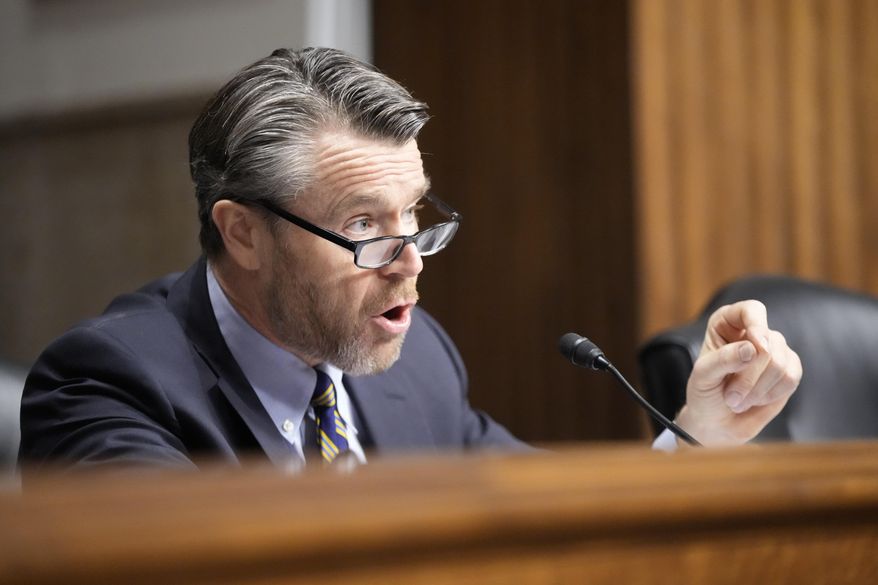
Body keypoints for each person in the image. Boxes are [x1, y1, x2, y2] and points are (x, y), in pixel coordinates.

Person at [18, 48, 802, 470]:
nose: (410, 264)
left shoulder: (417, 357)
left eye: (416, 215)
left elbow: (547, 522)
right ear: (243, 232)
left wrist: (701, 429)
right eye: (365, 224)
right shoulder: (108, 383)